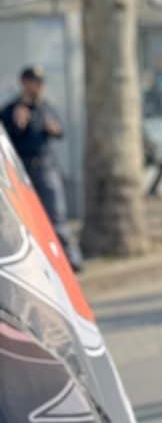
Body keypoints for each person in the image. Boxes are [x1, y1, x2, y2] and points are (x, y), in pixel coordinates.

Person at [1, 66, 83, 272]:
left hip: (45, 166)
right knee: (23, 220)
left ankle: (70, 260)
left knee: (56, 216)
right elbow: (6, 138)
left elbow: (59, 131)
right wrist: (16, 124)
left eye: (40, 83)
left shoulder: (45, 108)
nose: (37, 87)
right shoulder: (11, 109)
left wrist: (52, 127)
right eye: (33, 82)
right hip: (20, 170)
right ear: (24, 83)